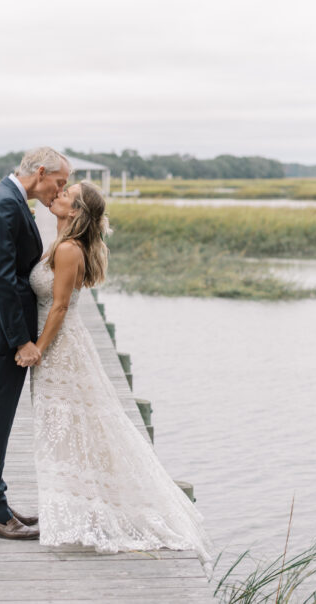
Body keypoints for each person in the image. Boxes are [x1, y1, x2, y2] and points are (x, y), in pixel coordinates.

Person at [24, 181, 215, 570]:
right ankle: (71, 510)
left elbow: (59, 307)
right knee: (68, 427)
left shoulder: (66, 249)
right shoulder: (63, 242)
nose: (57, 194)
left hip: (60, 348)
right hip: (63, 344)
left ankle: (81, 512)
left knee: (66, 426)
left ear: (74, 211)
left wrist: (38, 349)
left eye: (65, 194)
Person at [0, 146, 70, 540]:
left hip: (0, 331)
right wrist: (22, 341)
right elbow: (2, 280)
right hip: (2, 335)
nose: (58, 192)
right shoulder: (4, 206)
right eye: (58, 183)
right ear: (40, 172)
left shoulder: (7, 199)